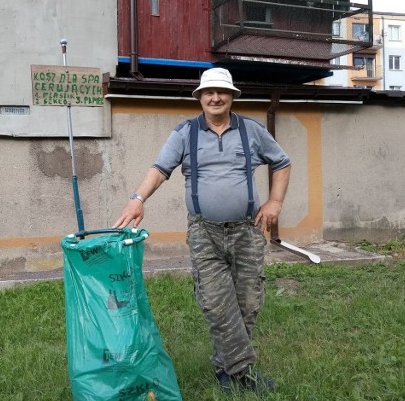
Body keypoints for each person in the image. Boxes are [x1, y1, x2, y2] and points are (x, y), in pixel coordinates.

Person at [113, 67, 291, 394]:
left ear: (232, 97)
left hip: (246, 231)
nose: (215, 97)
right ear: (200, 97)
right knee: (216, 301)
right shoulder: (185, 133)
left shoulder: (251, 131)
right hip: (204, 232)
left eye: (221, 92)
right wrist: (137, 199)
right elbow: (160, 168)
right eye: (208, 92)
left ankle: (226, 371)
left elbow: (281, 162)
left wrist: (275, 202)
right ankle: (244, 374)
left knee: (248, 301)